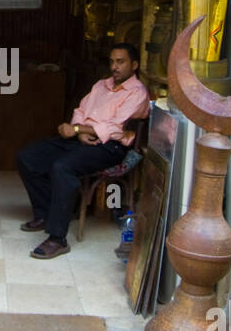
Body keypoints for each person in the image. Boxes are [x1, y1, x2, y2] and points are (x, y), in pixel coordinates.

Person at [16, 43, 151, 259]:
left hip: (110, 147)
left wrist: (78, 128)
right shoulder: (101, 85)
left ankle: (57, 238)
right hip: (81, 139)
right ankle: (45, 213)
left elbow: (116, 129)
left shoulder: (137, 93)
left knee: (63, 168)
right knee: (27, 158)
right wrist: (78, 132)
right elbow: (80, 110)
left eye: (121, 62)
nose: (115, 67)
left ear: (134, 65)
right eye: (112, 61)